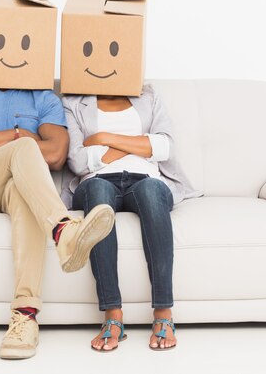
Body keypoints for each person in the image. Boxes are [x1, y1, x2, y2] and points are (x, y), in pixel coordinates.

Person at [0, 83, 115, 359]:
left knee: (25, 196)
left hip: (20, 185)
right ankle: (63, 230)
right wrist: (17, 135)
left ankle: (25, 317)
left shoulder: (43, 98)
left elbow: (55, 154)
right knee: (25, 145)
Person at [61, 83, 201, 352]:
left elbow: (165, 146)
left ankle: (163, 315)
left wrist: (103, 137)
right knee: (99, 192)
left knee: (150, 191)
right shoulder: (73, 101)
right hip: (97, 180)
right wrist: (140, 144)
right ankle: (113, 318)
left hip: (145, 178)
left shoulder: (148, 95)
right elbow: (78, 161)